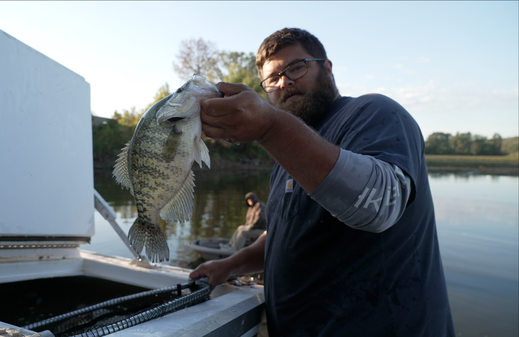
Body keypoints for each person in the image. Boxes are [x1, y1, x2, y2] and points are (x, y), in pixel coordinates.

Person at [190, 28, 456, 336]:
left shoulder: (373, 112)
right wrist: (230, 265)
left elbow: (381, 205)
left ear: (326, 68)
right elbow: (284, 235)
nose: (284, 82)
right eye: (272, 79)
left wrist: (269, 129)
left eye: (296, 67)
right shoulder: (284, 154)